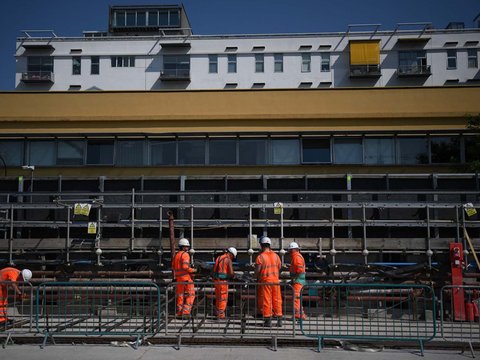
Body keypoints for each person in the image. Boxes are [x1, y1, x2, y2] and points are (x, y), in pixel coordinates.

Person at [255, 236, 283, 327]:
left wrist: (256, 277)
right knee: (277, 300)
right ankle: (279, 321)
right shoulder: (276, 256)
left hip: (266, 281)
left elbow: (257, 271)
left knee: (267, 300)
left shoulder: (260, 257)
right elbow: (279, 267)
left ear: (261, 245)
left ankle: (268, 321)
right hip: (275, 281)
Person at [172, 238, 197, 316]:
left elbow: (173, 266)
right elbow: (185, 267)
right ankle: (186, 312)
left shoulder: (176, 255)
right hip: (186, 278)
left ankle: (179, 312)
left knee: (180, 295)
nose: (188, 248)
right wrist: (193, 270)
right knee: (191, 294)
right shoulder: (185, 254)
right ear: (183, 247)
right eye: (186, 246)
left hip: (178, 279)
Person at [212, 247, 237, 319]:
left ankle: (217, 313)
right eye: (233, 256)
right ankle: (221, 315)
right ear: (231, 254)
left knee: (218, 297)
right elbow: (231, 273)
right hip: (223, 281)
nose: (232, 258)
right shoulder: (228, 259)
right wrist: (233, 276)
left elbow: (214, 270)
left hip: (216, 281)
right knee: (223, 298)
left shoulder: (219, 257)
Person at [288, 242, 307, 320]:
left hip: (298, 281)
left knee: (296, 299)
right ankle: (301, 315)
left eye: (290, 250)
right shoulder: (296, 256)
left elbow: (299, 269)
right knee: (298, 299)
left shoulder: (296, 257)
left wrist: (294, 277)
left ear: (293, 250)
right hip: (298, 281)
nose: (289, 252)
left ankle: (298, 315)